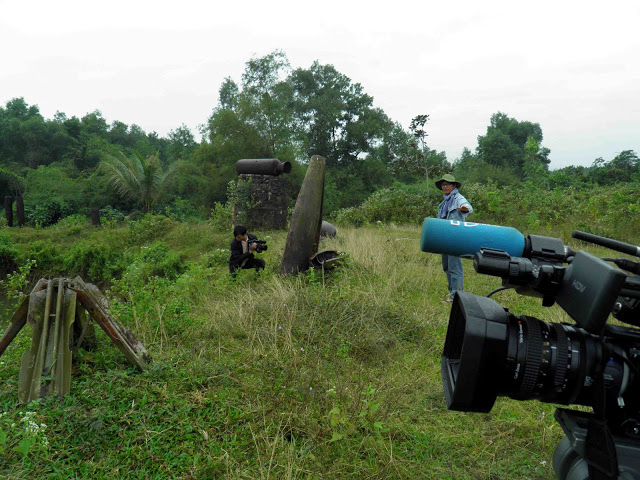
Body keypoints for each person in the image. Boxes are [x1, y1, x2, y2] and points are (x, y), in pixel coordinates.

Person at [435, 174, 473, 303]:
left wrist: (464, 209)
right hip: (445, 237)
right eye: (443, 185)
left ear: (454, 186)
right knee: (446, 266)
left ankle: (456, 297)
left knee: (454, 267)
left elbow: (468, 207)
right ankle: (452, 291)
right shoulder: (444, 202)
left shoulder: (458, 198)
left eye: (448, 184)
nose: (445, 187)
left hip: (455, 237)